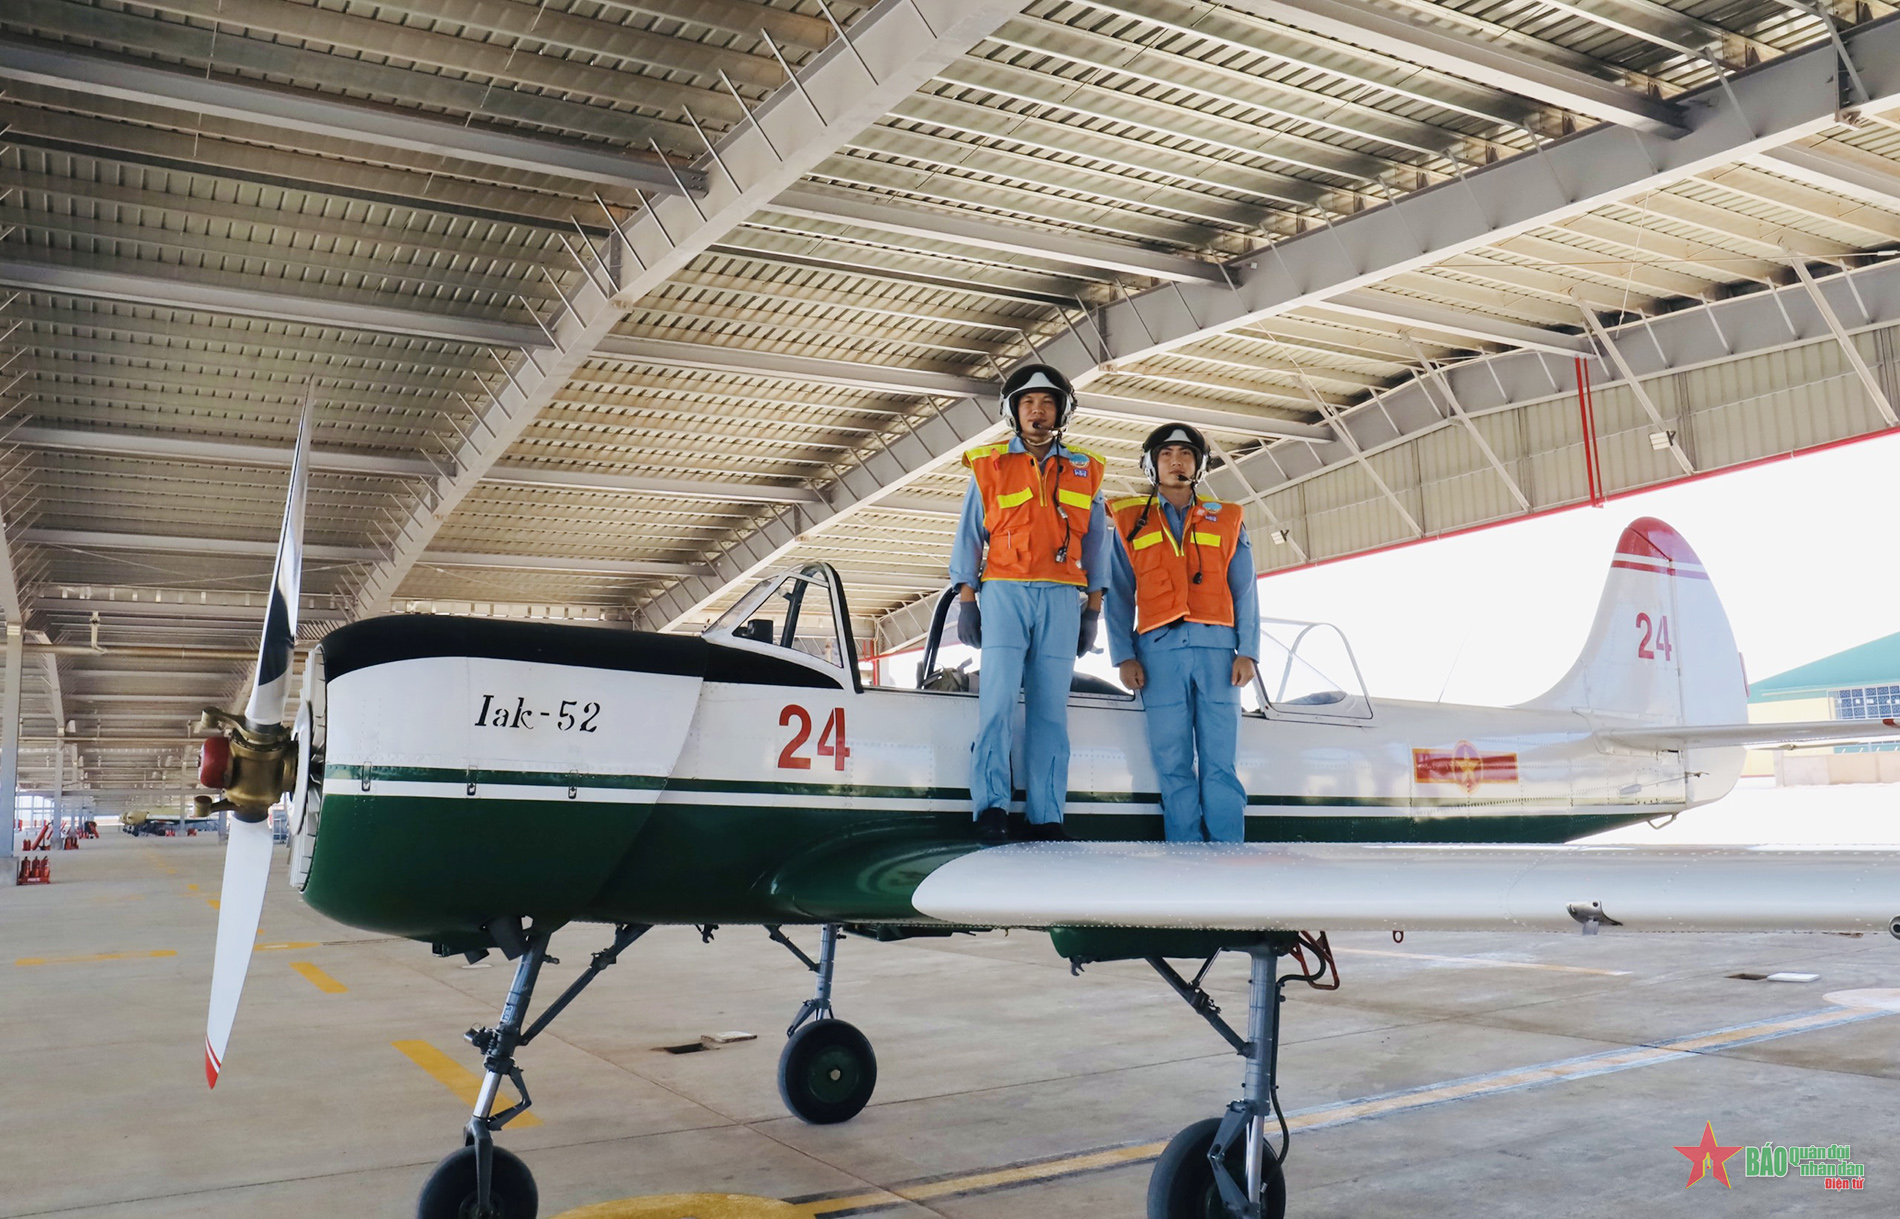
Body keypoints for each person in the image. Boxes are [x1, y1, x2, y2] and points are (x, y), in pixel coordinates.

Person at [948, 364, 1109, 843]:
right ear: (1014, 412)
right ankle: (991, 809)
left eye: (1047, 403)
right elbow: (968, 537)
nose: (1038, 412)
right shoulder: (989, 465)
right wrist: (967, 599)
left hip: (1063, 599)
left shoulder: (1087, 471)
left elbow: (1099, 546)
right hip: (1004, 594)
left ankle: (1046, 815)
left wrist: (1093, 610)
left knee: (1049, 712)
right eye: (1028, 404)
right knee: (995, 704)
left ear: (1062, 410)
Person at [1105, 423, 1260, 843]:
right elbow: (1118, 593)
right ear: (1152, 464)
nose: (1177, 461)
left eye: (1187, 454)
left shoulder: (1228, 519)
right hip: (1157, 655)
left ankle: (1229, 854)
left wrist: (1248, 650)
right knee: (1171, 760)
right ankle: (1185, 855)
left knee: (1220, 762)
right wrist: (1123, 655)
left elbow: (1245, 589)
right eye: (1168, 453)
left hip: (1219, 652)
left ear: (1199, 464)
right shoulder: (1127, 521)